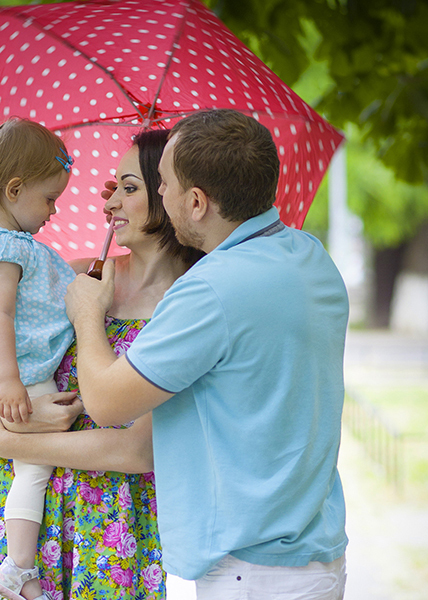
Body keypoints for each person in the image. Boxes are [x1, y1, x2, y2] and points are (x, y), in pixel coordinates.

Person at [63, 109, 350, 600]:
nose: (161, 195)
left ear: (196, 202)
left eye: (163, 183)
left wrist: (87, 314)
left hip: (253, 574)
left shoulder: (211, 292)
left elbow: (107, 403)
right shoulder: (308, 255)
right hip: (313, 556)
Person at [0, 128, 204, 600]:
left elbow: (136, 452)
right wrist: (2, 420)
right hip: (20, 523)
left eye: (128, 188)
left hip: (107, 532)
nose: (109, 202)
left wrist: (8, 437)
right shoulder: (77, 274)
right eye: (113, 188)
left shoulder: (190, 306)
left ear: (171, 196)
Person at [0, 117, 78, 600]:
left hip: (17, 373)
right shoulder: (6, 247)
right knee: (35, 467)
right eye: (49, 198)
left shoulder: (10, 244)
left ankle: (16, 563)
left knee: (27, 464)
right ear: (14, 189)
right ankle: (18, 568)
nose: (54, 210)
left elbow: (45, 289)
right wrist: (10, 383)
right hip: (21, 374)